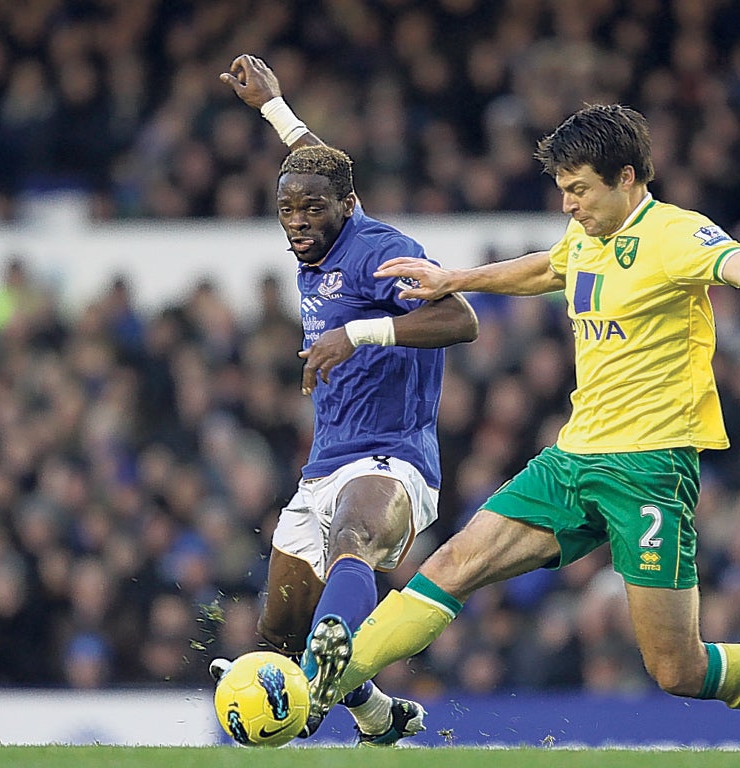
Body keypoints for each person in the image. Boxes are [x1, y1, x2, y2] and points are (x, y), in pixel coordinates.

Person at [307, 103, 740, 749]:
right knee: (454, 562)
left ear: (626, 177)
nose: (570, 205)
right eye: (563, 192)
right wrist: (455, 277)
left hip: (651, 472)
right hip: (573, 460)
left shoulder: (676, 234)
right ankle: (314, 687)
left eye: (579, 190)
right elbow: (549, 267)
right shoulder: (587, 238)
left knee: (678, 669)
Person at [209, 55, 478, 745]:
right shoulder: (320, 207)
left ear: (348, 208)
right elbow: (314, 161)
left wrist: (358, 333)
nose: (297, 221)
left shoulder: (381, 252)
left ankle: (336, 643)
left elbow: (461, 321)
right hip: (323, 465)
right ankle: (375, 712)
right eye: (286, 209)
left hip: (392, 461)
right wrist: (274, 106)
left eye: (311, 209)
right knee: (276, 640)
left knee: (354, 541)